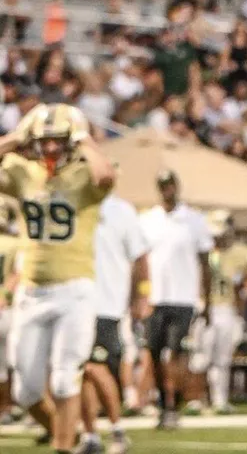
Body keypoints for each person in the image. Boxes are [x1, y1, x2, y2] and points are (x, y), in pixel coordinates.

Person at [0, 103, 116, 454]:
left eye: (58, 140)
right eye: (43, 141)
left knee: (66, 379)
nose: (50, 148)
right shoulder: (23, 172)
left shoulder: (84, 174)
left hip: (74, 290)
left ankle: (63, 448)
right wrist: (16, 138)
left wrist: (83, 139)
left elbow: (106, 177)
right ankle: (72, 439)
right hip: (32, 292)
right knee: (27, 392)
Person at [138, 170, 213, 429]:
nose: (167, 189)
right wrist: (139, 296)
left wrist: (207, 300)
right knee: (154, 352)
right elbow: (139, 262)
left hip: (184, 297)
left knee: (177, 352)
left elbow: (205, 263)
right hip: (155, 298)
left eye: (170, 184)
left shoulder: (193, 219)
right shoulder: (147, 219)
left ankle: (174, 402)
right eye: (163, 185)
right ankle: (163, 401)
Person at [78, 189, 149, 454]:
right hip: (74, 300)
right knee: (79, 371)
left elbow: (140, 257)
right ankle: (90, 434)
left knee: (95, 366)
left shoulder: (121, 210)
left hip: (106, 302)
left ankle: (117, 429)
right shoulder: (74, 201)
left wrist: (141, 296)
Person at [186, 209, 247, 414]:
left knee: (222, 359)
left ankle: (219, 400)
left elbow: (240, 287)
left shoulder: (239, 253)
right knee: (200, 357)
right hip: (204, 307)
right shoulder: (203, 253)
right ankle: (195, 399)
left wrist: (239, 315)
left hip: (227, 308)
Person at [0, 202, 23, 425]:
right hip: (9, 306)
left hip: (6, 306)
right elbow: (19, 273)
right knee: (13, 361)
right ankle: (10, 405)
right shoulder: (16, 243)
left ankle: (6, 406)